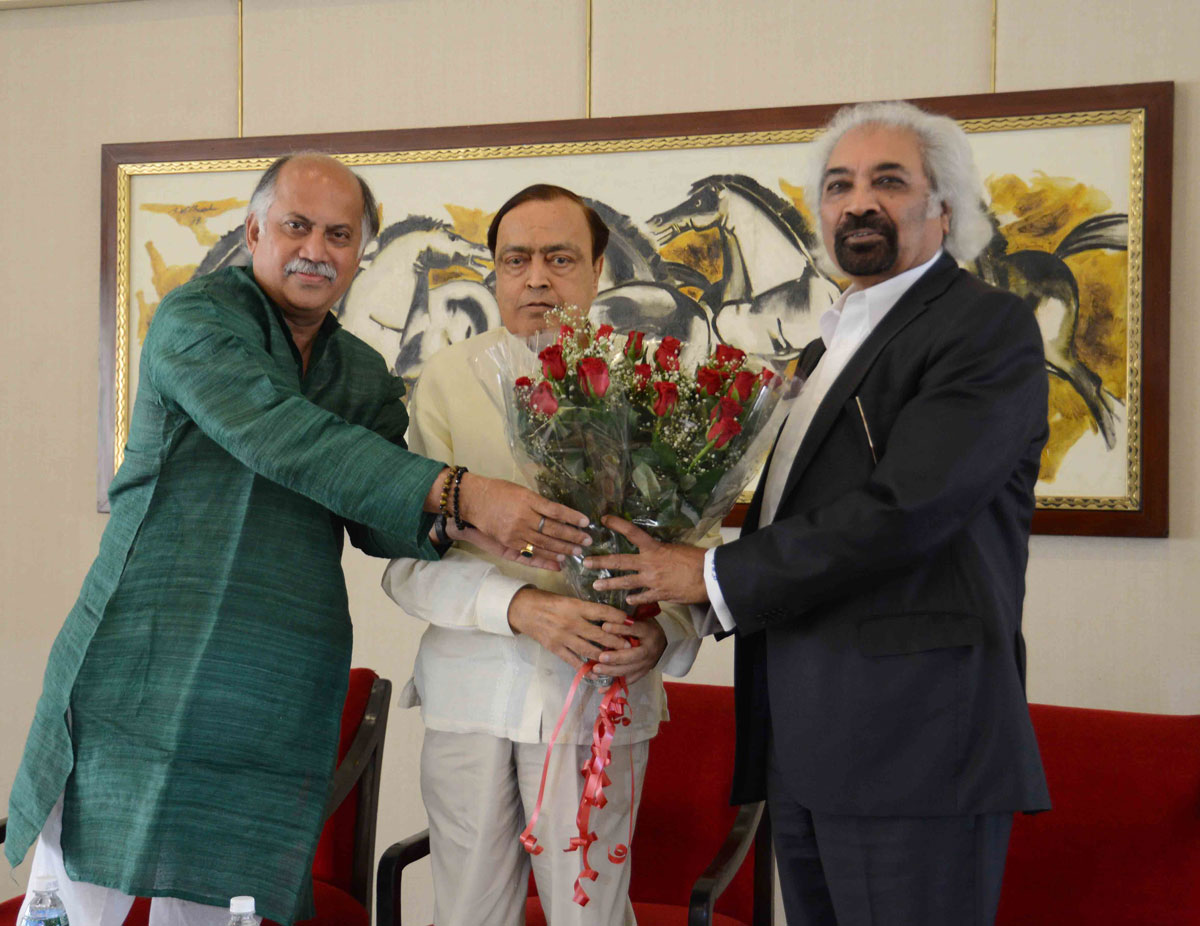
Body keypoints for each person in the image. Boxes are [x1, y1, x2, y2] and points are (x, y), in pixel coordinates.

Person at [6, 155, 592, 926]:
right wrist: (458, 490)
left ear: (360, 253)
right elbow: (282, 436)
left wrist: (482, 527)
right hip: (140, 672)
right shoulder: (197, 322)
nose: (317, 248)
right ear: (254, 231)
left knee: (226, 906)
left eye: (340, 234)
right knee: (83, 904)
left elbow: (385, 524)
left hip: (269, 692)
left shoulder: (361, 372)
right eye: (297, 226)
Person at [584, 102, 1052, 926]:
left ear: (943, 205)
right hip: (804, 743)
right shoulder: (824, 345)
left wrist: (708, 574)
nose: (856, 202)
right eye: (838, 185)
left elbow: (906, 509)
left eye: (888, 181)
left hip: (914, 746)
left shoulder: (985, 325)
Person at [381, 184, 699, 926]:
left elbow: (695, 557)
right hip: (471, 691)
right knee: (465, 913)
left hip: (601, 698)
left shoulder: (653, 384)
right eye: (515, 260)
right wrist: (522, 608)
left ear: (595, 272)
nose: (536, 279)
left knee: (590, 913)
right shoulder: (445, 382)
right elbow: (404, 562)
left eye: (560, 258)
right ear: (494, 272)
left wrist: (663, 633)